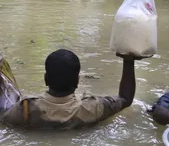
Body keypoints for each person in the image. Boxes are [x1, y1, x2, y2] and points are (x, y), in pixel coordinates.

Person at [2, 49, 142, 130]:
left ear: (46, 79)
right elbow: (125, 99)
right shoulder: (93, 108)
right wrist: (128, 60)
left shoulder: (24, 110)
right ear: (77, 81)